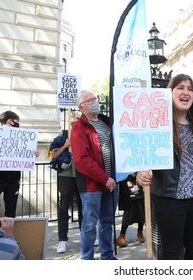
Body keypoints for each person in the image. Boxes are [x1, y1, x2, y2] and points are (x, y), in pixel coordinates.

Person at [136, 74, 193, 260]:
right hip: (169, 199)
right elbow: (143, 152)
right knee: (172, 252)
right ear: (170, 93)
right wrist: (141, 170)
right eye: (180, 88)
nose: (186, 92)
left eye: (190, 89)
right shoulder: (156, 123)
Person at [71, 89, 118, 260]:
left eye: (95, 98)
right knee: (90, 225)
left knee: (107, 223)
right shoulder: (78, 127)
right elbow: (82, 160)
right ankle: (87, 259)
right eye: (90, 100)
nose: (95, 101)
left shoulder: (107, 123)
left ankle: (108, 256)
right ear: (82, 107)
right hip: (93, 186)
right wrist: (104, 178)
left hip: (112, 182)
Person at [0, 111, 39, 218]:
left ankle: (9, 232)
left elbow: (22, 152)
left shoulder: (19, 138)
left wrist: (30, 154)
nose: (17, 124)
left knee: (11, 211)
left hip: (13, 179)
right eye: (16, 122)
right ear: (10, 121)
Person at [50, 111, 83, 254]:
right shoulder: (62, 136)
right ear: (71, 121)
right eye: (77, 118)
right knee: (63, 208)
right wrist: (65, 146)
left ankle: (86, 235)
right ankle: (62, 240)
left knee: (85, 208)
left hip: (83, 176)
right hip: (67, 176)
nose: (79, 121)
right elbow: (52, 155)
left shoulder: (86, 133)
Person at [117, 174, 145, 247]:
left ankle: (140, 232)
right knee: (128, 211)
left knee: (141, 209)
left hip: (140, 178)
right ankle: (122, 235)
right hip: (127, 178)